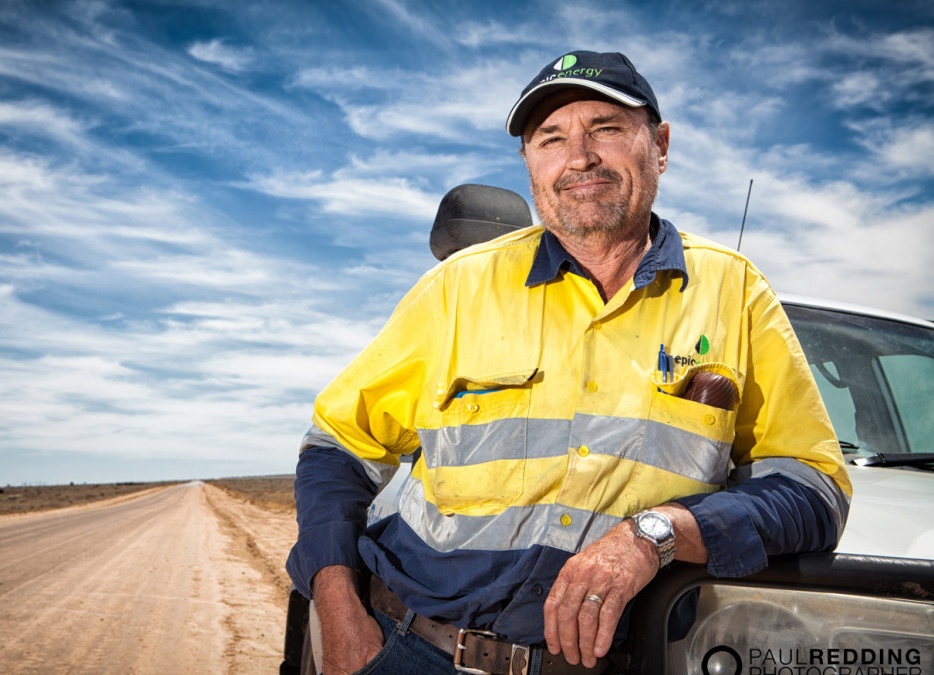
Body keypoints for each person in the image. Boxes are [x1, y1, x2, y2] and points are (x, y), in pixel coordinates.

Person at [287, 49, 852, 675]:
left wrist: (654, 535)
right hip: (413, 647)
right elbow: (336, 448)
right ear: (530, 164)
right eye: (550, 138)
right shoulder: (456, 289)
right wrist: (337, 612)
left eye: (605, 129)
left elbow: (813, 488)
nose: (578, 157)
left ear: (660, 146)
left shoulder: (736, 295)